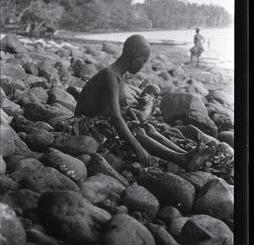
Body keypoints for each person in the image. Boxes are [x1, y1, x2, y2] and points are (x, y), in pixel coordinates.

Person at [75, 35, 215, 170]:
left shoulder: (119, 76)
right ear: (134, 56)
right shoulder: (110, 76)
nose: (143, 66)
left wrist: (134, 115)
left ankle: (186, 154)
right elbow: (116, 117)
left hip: (99, 119)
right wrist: (138, 148)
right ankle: (182, 159)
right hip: (85, 125)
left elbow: (119, 108)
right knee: (138, 132)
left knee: (148, 128)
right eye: (143, 61)